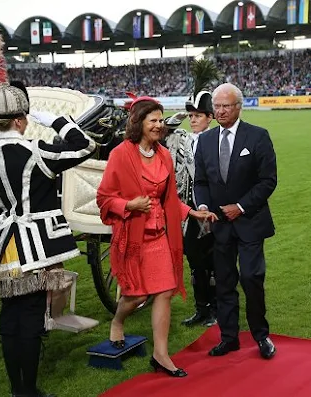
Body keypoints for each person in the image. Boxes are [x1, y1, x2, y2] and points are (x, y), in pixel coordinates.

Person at [0, 82, 98, 397]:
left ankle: (18, 387)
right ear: (19, 120)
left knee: (10, 315)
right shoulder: (35, 150)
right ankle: (27, 391)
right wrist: (55, 121)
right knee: (29, 316)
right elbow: (84, 146)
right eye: (26, 116)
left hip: (5, 248)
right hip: (38, 248)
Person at [96, 97, 218, 378]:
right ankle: (118, 321)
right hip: (133, 235)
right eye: (153, 120)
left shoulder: (163, 155)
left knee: (164, 291)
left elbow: (169, 200)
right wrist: (129, 205)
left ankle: (161, 355)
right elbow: (104, 197)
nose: (159, 125)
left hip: (160, 235)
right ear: (139, 123)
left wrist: (190, 213)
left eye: (161, 120)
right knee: (136, 295)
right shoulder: (120, 154)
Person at [194, 83, 278, 360]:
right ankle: (229, 338)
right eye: (216, 106)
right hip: (219, 226)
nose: (219, 111)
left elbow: (268, 181)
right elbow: (201, 181)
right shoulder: (205, 141)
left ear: (238, 107)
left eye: (225, 106)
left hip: (250, 221)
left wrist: (241, 207)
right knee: (225, 282)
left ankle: (261, 336)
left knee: (252, 278)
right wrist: (204, 206)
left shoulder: (258, 137)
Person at [164, 90, 218, 328]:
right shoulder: (182, 138)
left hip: (213, 211)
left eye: (198, 115)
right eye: (191, 115)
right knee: (195, 262)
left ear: (210, 117)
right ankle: (201, 309)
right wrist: (175, 119)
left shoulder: (218, 138)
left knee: (214, 263)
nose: (193, 119)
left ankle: (216, 309)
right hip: (189, 212)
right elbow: (161, 133)